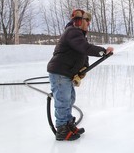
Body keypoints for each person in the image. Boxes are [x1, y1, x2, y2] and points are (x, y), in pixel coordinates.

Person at [47, 9, 114, 141]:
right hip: (60, 72)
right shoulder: (72, 32)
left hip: (66, 73)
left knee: (70, 99)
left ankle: (68, 124)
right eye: (87, 20)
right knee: (63, 101)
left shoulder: (78, 35)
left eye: (89, 21)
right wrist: (103, 51)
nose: (89, 23)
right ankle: (61, 129)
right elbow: (85, 47)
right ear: (79, 21)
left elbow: (83, 54)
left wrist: (83, 69)